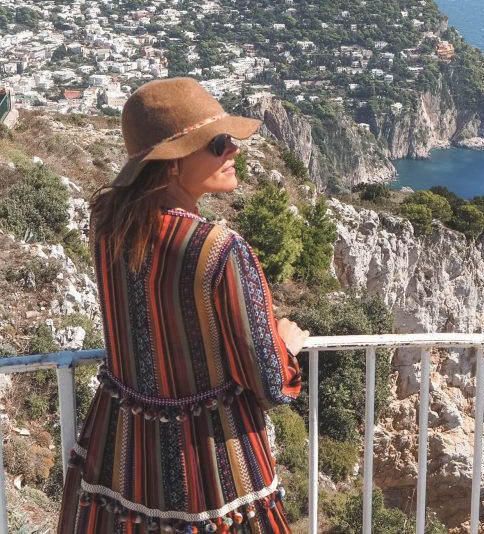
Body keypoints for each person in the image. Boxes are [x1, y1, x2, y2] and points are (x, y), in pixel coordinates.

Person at [58, 77, 309, 534]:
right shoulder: (219, 250)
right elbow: (271, 384)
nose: (233, 149)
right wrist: (285, 344)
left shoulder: (108, 226)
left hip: (124, 453)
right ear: (172, 166)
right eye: (217, 143)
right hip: (210, 465)